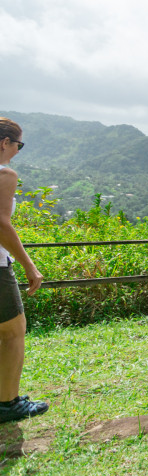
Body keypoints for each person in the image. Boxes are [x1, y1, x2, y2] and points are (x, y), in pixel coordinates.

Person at [0, 118, 47, 423]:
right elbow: (2, 224)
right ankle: (8, 403)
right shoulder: (5, 174)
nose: (18, 150)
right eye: (19, 144)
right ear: (6, 142)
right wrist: (30, 266)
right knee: (14, 332)